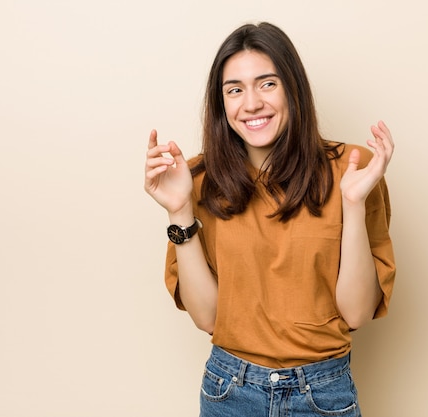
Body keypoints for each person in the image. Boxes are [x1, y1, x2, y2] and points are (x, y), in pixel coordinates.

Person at [144, 21, 395, 417]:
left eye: (267, 83)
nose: (251, 104)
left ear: (293, 89)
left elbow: (357, 312)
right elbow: (207, 318)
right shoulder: (196, 180)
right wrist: (180, 211)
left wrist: (352, 203)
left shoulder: (351, 170)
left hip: (323, 393)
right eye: (235, 90)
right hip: (229, 392)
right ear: (221, 103)